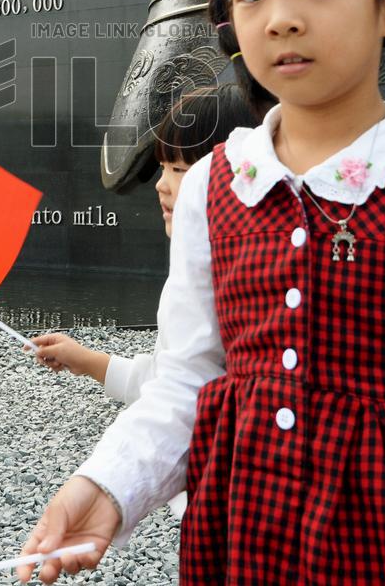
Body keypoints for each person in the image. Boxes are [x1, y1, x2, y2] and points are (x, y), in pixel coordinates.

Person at [17, 0, 385, 585]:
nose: (280, 17)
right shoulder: (214, 189)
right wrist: (107, 487)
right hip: (248, 538)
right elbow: (189, 379)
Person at [30, 88, 254, 408]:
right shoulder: (196, 270)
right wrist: (85, 360)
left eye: (179, 170)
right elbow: (168, 380)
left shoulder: (252, 283)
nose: (161, 185)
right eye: (163, 167)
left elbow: (178, 396)